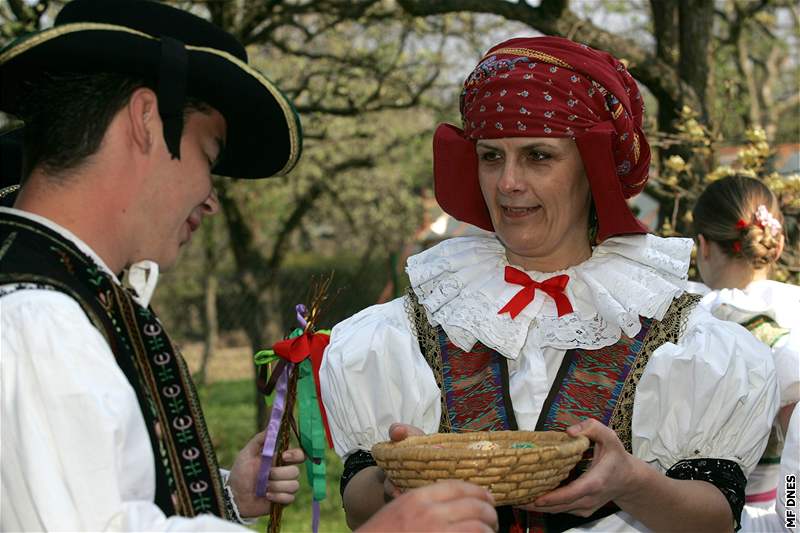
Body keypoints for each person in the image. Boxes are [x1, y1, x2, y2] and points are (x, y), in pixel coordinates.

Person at [0, 2, 500, 531]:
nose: (210, 199)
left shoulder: (69, 301)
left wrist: (223, 498)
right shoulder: (37, 321)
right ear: (146, 120)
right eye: (208, 156)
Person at [319, 36, 780, 532]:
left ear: (592, 168)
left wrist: (632, 484)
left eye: (538, 156)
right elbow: (357, 507)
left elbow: (714, 518)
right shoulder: (409, 328)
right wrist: (394, 484)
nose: (507, 182)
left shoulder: (684, 335)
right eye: (491, 156)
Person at [691, 175, 799, 531]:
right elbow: (794, 460)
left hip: (687, 510)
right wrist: (792, 514)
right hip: (764, 511)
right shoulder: (788, 329)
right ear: (777, 245)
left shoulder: (689, 323)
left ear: (703, 245)